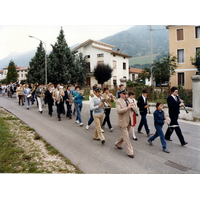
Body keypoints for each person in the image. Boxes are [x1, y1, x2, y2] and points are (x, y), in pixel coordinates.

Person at [115, 89, 135, 158]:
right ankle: (130, 151)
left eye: (126, 94)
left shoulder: (128, 100)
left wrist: (133, 106)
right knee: (126, 137)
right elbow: (118, 111)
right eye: (124, 94)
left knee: (125, 135)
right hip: (122, 121)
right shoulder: (118, 101)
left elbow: (133, 109)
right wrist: (127, 108)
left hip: (129, 120)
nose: (125, 95)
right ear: (120, 95)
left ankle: (118, 143)